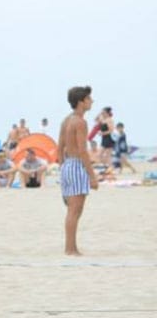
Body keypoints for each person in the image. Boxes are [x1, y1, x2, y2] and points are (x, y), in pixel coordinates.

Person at [58, 85, 99, 255]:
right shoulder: (80, 122)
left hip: (67, 165)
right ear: (81, 102)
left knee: (72, 210)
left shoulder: (67, 120)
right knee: (75, 210)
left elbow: (60, 146)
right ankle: (70, 249)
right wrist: (92, 176)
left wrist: (62, 167)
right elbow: (83, 150)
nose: (92, 101)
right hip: (76, 165)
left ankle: (71, 247)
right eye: (89, 99)